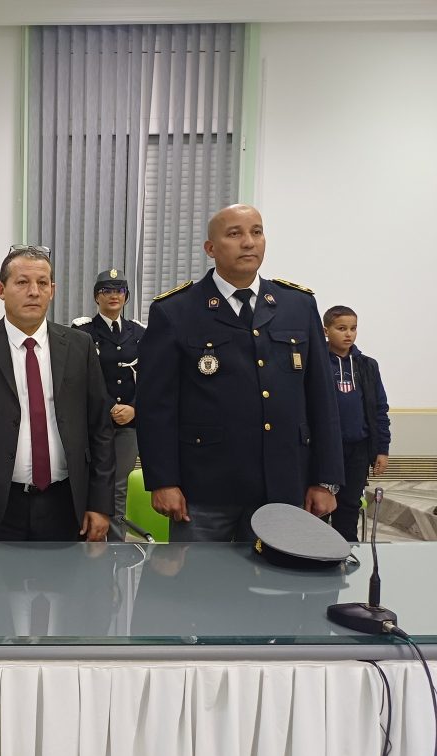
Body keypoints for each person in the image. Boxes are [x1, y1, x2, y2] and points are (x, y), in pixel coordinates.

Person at [135, 204, 344, 542]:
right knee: (199, 576)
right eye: (235, 234)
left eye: (256, 232)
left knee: (275, 575)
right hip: (203, 488)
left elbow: (322, 398)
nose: (249, 242)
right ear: (210, 248)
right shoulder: (175, 311)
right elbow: (156, 407)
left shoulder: (297, 305)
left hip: (283, 482)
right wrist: (163, 480)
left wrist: (326, 479)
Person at [0, 245, 115, 543]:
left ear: (52, 290)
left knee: (70, 574)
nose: (34, 292)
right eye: (22, 282)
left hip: (67, 503)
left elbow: (100, 429)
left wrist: (100, 504)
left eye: (42, 283)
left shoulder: (80, 346)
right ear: (1, 290)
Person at [75, 269, 144, 535]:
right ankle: (84, 544)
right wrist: (109, 407)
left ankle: (115, 547)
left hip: (128, 424)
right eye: (107, 291)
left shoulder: (139, 332)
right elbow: (79, 378)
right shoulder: (82, 331)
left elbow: (150, 377)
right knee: (88, 483)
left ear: (126, 296)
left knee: (118, 487)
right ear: (97, 296)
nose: (114, 296)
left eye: (119, 290)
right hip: (93, 423)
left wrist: (134, 408)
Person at [323, 305, 391, 542]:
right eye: (341, 328)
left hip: (358, 449)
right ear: (326, 331)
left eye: (353, 328)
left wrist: (382, 449)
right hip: (325, 450)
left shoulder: (368, 365)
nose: (348, 334)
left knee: (350, 506)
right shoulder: (316, 363)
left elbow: (379, 409)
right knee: (320, 508)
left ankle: (347, 552)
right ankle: (316, 555)